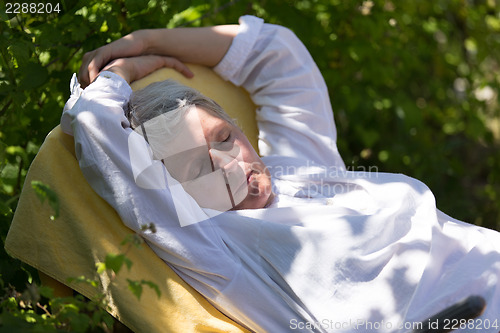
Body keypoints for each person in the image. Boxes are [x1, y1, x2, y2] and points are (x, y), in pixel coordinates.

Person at [62, 16, 500, 332]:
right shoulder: (217, 244)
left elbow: (278, 55)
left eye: (224, 138)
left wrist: (144, 41)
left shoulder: (300, 173)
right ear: (174, 195)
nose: (231, 166)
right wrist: (122, 72)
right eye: (199, 170)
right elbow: (94, 126)